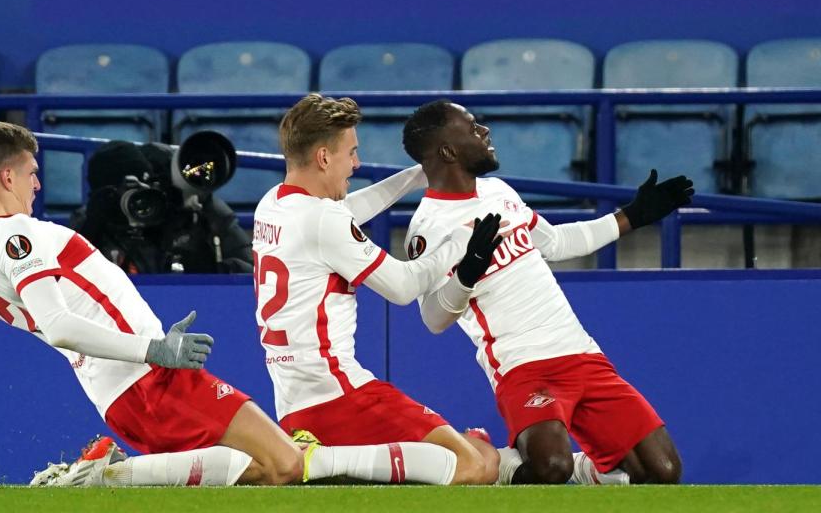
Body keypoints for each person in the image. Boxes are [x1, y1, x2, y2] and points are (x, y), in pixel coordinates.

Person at [0, 121, 316, 487]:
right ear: (7, 175)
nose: (37, 185)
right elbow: (57, 325)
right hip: (149, 379)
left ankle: (111, 474)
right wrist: (154, 350)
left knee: (258, 469)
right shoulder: (18, 235)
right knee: (284, 465)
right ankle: (105, 477)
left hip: (120, 397)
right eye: (32, 173)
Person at [401, 100, 691, 485]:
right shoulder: (427, 229)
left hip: (581, 353)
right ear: (448, 151)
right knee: (551, 468)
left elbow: (553, 242)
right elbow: (433, 319)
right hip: (522, 367)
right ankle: (489, 461)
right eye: (472, 129)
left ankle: (589, 471)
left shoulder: (498, 191)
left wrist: (632, 216)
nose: (485, 132)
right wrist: (466, 275)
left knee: (662, 471)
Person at [251, 94, 503, 485]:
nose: (357, 164)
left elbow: (346, 210)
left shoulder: (273, 205)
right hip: (341, 395)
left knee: (475, 459)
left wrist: (418, 173)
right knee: (474, 465)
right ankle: (318, 462)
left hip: (297, 403)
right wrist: (460, 243)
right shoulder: (322, 220)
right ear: (322, 158)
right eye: (351, 153)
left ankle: (324, 459)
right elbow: (402, 288)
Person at [71, 139, 253, 274]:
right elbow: (55, 283)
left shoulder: (185, 208)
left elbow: (252, 273)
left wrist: (210, 269)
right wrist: (91, 231)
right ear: (104, 197)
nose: (140, 203)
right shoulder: (91, 222)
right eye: (124, 193)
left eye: (143, 188)